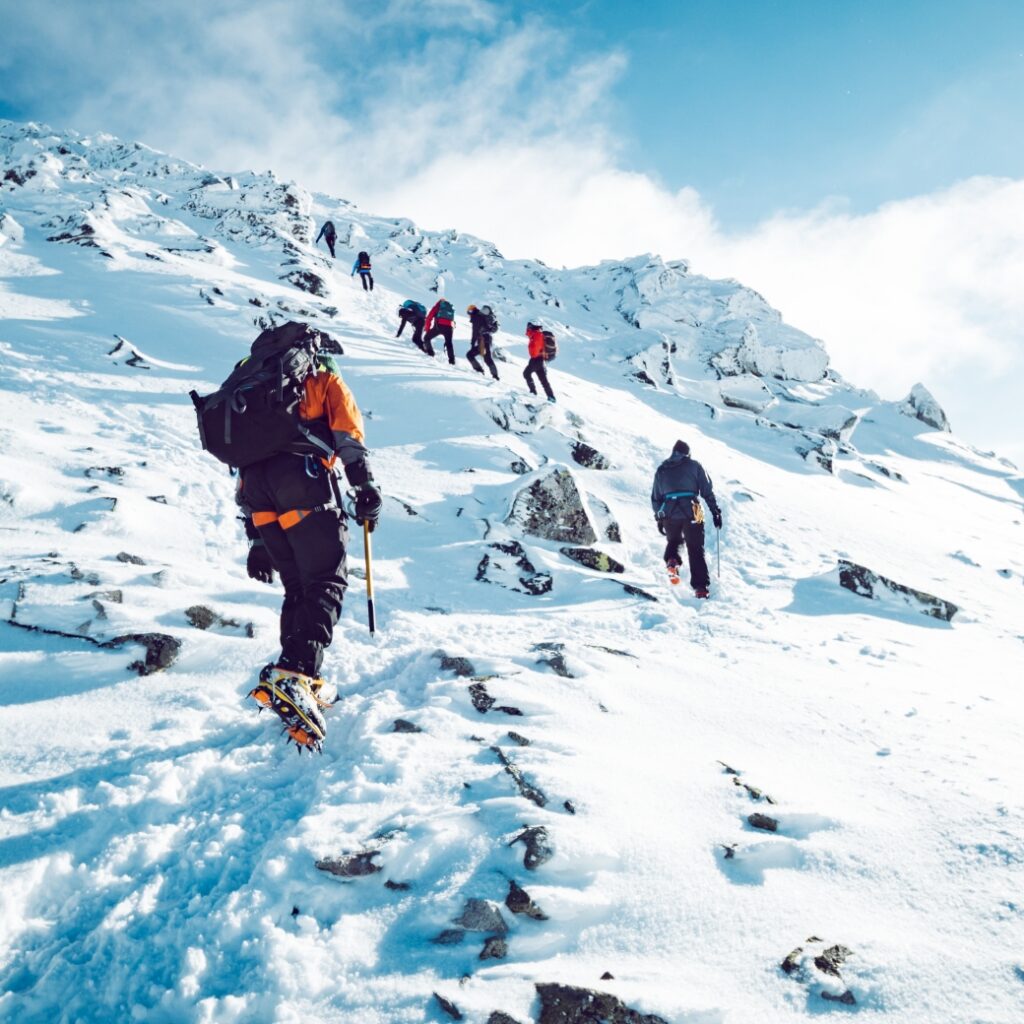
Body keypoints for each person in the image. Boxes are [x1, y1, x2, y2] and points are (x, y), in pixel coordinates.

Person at [235, 328, 382, 751]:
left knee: (298, 586)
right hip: (303, 481)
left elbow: (245, 460)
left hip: (258, 493)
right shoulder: (322, 376)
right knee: (326, 581)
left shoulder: (254, 385)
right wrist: (364, 487)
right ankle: (296, 674)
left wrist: (258, 538)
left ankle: (297, 674)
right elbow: (348, 436)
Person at [650, 440, 722, 598]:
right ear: (687, 453)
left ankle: (672, 561)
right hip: (693, 510)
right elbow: (706, 490)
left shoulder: (662, 469)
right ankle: (701, 588)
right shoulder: (695, 465)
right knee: (696, 548)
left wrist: (659, 518)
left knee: (673, 541)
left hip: (669, 512)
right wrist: (715, 512)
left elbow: (656, 498)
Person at [523, 322, 555, 402]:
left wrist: (534, 357)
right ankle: (551, 397)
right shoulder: (537, 334)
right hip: (540, 360)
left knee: (526, 373)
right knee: (543, 380)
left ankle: (533, 392)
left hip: (536, 359)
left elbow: (535, 351)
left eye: (528, 326)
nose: (527, 328)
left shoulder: (536, 335)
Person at [466, 304, 500, 379]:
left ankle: (480, 371)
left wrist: (472, 344)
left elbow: (475, 333)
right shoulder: (479, 316)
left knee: (470, 355)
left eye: (469, 313)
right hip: (486, 339)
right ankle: (494, 376)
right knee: (486, 358)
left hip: (484, 339)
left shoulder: (476, 317)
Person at [423, 297, 456, 364]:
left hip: (439, 327)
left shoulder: (437, 307)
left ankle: (431, 354)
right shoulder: (450, 308)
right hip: (449, 328)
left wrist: (427, 329)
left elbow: (429, 318)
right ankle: (452, 361)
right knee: (449, 344)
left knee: (426, 338)